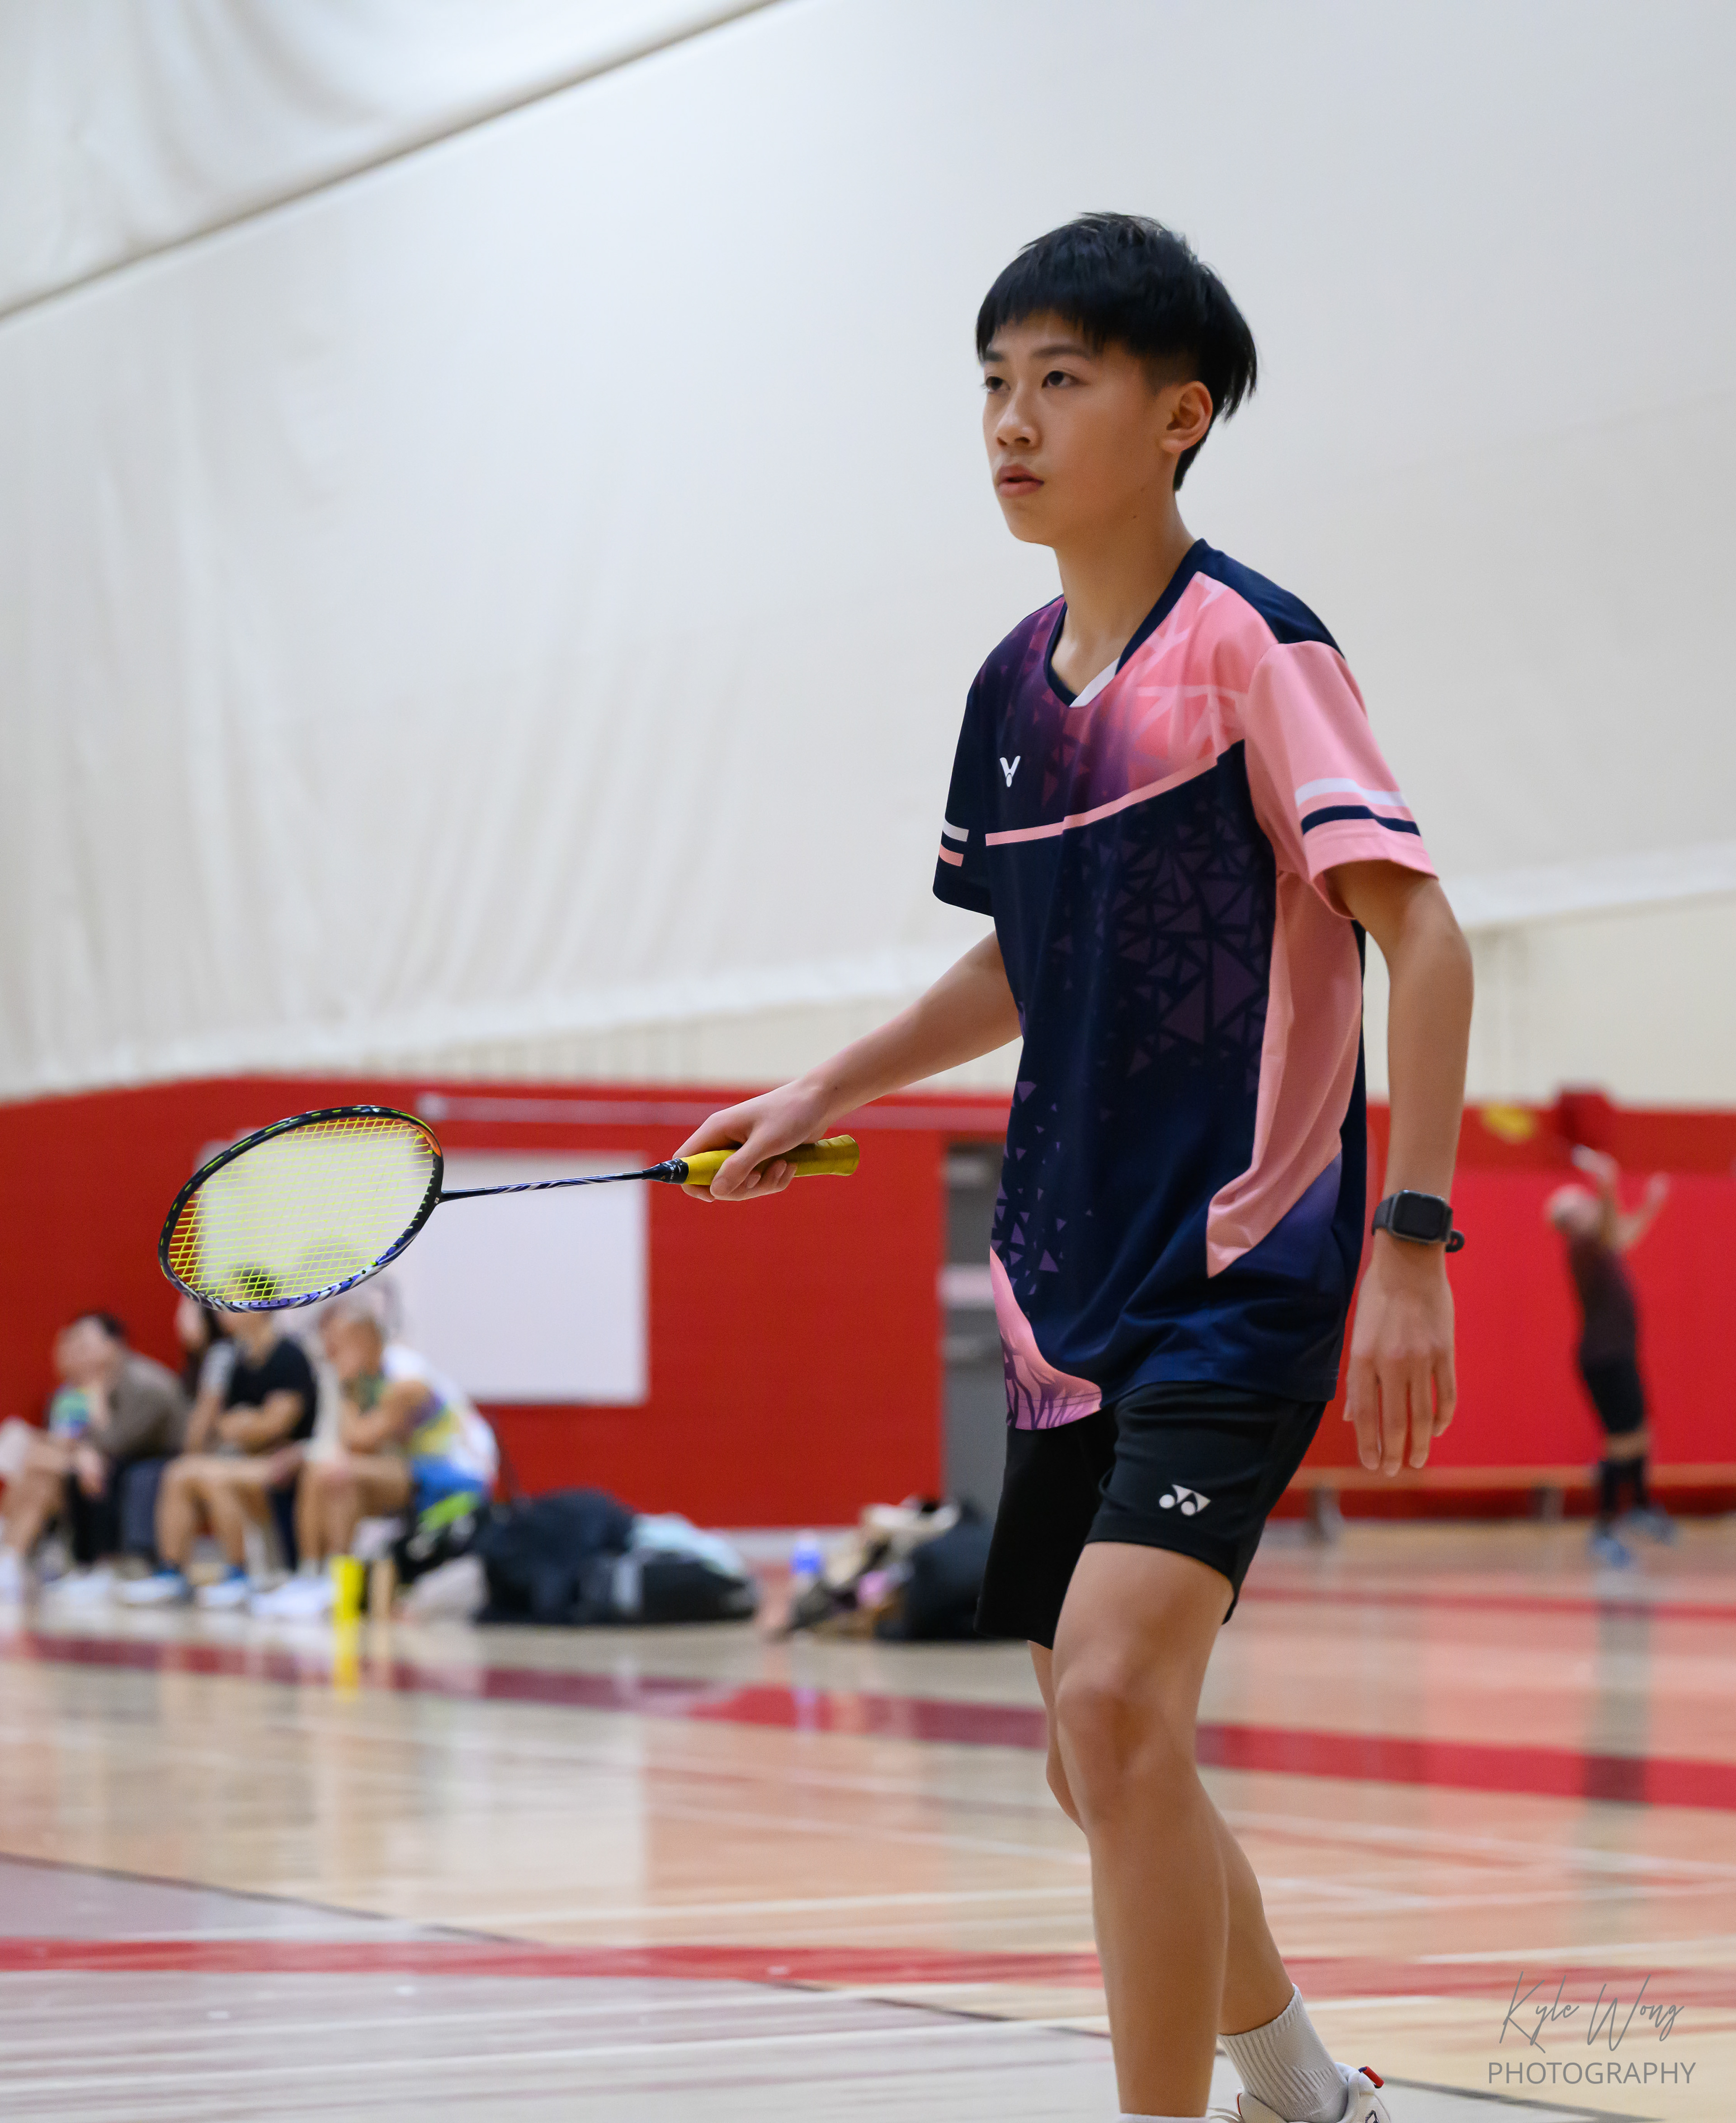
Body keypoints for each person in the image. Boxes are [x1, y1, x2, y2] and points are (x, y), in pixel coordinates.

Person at [674, 216, 1473, 2123]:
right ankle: (1308, 2089)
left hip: (1239, 1263)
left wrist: (1412, 1243)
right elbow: (1023, 960)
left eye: (1061, 378)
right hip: (1060, 1293)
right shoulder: (1008, 694)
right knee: (1095, 1751)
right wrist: (817, 1086)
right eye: (992, 382)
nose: (1010, 421)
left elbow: (1423, 936)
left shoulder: (1254, 649)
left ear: (1178, 415)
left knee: (1115, 1706)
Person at [250, 1299, 495, 1619]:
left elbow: (358, 1441)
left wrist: (345, 1386)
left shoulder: (406, 1378)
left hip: (458, 1477)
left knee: (335, 1472)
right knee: (328, 1475)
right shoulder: (370, 1378)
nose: (330, 1354)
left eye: (337, 1345)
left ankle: (330, 1582)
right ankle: (314, 1577)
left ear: (363, 1339)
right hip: (416, 1471)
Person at [121, 1303, 317, 1609]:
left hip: (286, 1461)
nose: (221, 1309)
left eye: (232, 1299)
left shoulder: (289, 1354)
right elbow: (196, 1441)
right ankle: (172, 1572)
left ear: (259, 1305)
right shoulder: (226, 1358)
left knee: (214, 1476)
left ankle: (240, 1574)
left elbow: (275, 1425)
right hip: (242, 1461)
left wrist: (239, 1426)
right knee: (180, 1472)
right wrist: (212, 1388)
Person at [0, 1314, 188, 1601]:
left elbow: (117, 1444)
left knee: (49, 1465)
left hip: (147, 1466)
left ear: (112, 1345)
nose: (76, 1352)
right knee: (39, 1465)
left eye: (84, 1344)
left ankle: (15, 1554)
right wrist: (77, 1454)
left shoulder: (148, 1385)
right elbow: (66, 1441)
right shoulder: (74, 1391)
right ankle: (12, 1558)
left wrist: (92, 1414)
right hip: (104, 1466)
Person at [1546, 1148, 1672, 1567]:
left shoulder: (1600, 1243)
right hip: (1604, 1359)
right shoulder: (1583, 1244)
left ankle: (1640, 1508)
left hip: (1617, 1354)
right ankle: (1604, 1530)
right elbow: (1609, 1222)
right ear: (1568, 1222)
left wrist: (1649, 1204)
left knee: (1640, 1433)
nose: (1586, 1206)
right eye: (1578, 1205)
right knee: (1622, 1441)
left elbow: (1624, 1232)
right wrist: (1606, 1179)